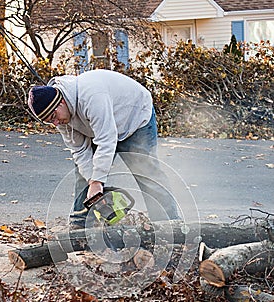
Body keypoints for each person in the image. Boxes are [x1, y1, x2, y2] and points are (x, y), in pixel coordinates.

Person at [28, 69, 179, 227]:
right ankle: (80, 226)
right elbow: (79, 151)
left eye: (53, 117)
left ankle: (169, 224)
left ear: (62, 102)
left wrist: (97, 181)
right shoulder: (60, 118)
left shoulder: (91, 96)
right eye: (49, 121)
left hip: (135, 118)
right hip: (100, 127)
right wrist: (93, 184)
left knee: (146, 172)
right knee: (83, 175)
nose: (56, 123)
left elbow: (107, 139)